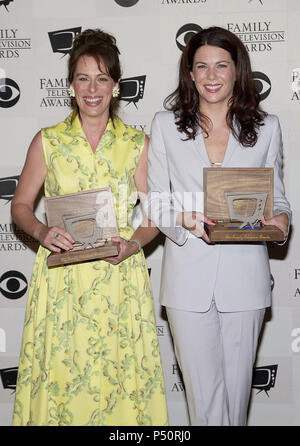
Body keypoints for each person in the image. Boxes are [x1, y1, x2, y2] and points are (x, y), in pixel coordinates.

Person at [11, 29, 168, 426]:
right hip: (63, 282)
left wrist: (133, 245)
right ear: (70, 86)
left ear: (116, 86)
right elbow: (21, 207)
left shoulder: (137, 143)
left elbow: (156, 214)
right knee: (63, 378)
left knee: (118, 379)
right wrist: (43, 232)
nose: (92, 88)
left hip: (119, 278)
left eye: (102, 78)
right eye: (83, 78)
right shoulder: (47, 142)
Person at [146, 26, 291, 426]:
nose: (212, 76)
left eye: (221, 66)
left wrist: (281, 222)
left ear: (236, 70)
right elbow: (155, 200)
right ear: (190, 74)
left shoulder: (267, 127)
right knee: (204, 403)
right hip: (187, 284)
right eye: (202, 67)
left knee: (236, 398)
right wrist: (184, 219)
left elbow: (277, 200)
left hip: (245, 280)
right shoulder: (164, 126)